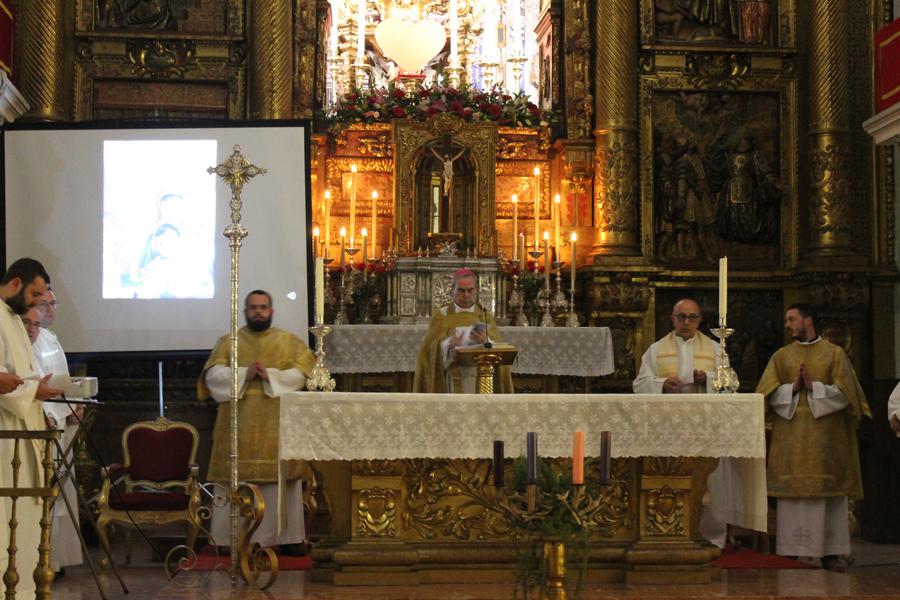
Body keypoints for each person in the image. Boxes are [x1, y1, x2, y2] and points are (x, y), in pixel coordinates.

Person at [633, 298, 768, 548]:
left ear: (699, 320)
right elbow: (640, 384)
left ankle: (710, 536)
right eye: (681, 317)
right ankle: (666, 532)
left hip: (706, 428)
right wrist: (662, 384)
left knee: (711, 481)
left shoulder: (715, 349)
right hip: (669, 428)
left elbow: (731, 384)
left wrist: (707, 378)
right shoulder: (656, 350)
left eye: (692, 317)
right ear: (672, 319)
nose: (686, 322)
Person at [198, 290, 316, 554]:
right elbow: (212, 376)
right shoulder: (229, 342)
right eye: (253, 307)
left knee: (281, 480)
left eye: (263, 307)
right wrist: (244, 374)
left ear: (271, 311)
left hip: (277, 423)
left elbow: (303, 374)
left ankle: (286, 538)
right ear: (245, 312)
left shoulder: (288, 342)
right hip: (236, 425)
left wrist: (270, 376)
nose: (258, 312)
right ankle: (229, 539)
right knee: (234, 480)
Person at [756, 303, 870, 571]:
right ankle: (791, 551)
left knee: (826, 493)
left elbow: (849, 395)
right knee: (794, 495)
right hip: (791, 440)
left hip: (826, 440)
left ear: (808, 320)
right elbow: (765, 394)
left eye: (791, 319)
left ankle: (830, 552)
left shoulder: (834, 354)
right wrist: (794, 388)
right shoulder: (781, 356)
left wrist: (815, 388)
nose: (787, 324)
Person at [0, 258, 63, 595]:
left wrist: (37, 387)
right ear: (15, 284)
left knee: (22, 522)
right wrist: (31, 390)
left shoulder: (12, 318)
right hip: (5, 436)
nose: (37, 302)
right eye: (35, 294)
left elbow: (20, 375)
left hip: (23, 432)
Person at [30, 289, 84, 577]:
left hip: (62, 424)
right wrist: (50, 414)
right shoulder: (28, 341)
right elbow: (34, 385)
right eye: (44, 303)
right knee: (46, 495)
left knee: (61, 495)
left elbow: (60, 381)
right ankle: (40, 561)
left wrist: (75, 404)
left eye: (53, 303)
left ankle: (56, 560)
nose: (51, 309)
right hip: (44, 426)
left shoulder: (51, 339)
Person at [413, 269, 513, 394]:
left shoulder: (484, 316)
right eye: (461, 290)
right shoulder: (442, 316)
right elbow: (428, 352)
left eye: (470, 290)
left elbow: (497, 348)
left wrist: (485, 342)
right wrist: (449, 344)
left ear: (476, 291)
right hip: (451, 378)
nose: (466, 295)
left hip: (481, 377)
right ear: (452, 291)